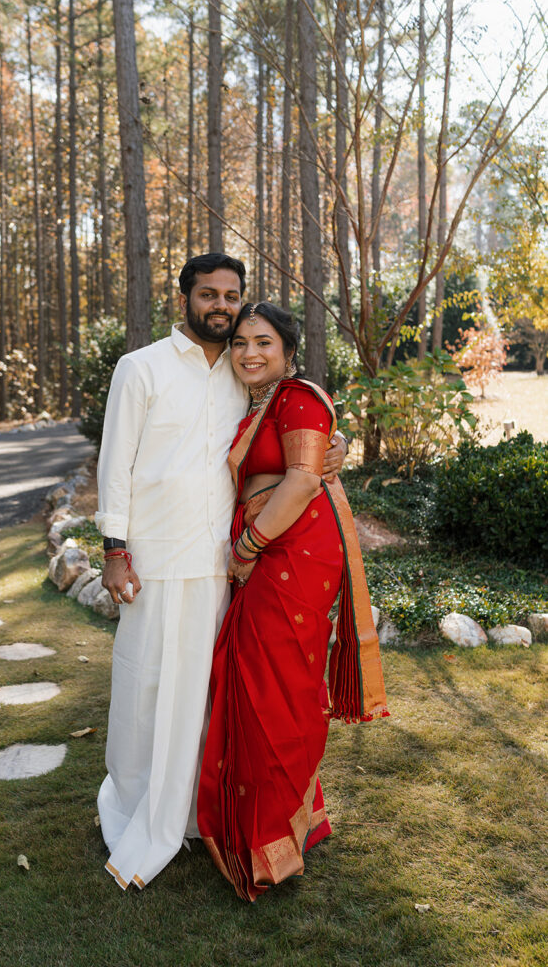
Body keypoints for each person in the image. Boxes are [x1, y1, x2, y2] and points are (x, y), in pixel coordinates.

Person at [94, 255, 348, 891]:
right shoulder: (142, 367)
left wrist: (336, 451)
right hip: (153, 561)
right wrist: (114, 548)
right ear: (184, 297)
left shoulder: (243, 375)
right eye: (208, 294)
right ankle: (132, 809)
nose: (220, 305)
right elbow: (114, 464)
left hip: (224, 567)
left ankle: (191, 815)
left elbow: (294, 436)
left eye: (230, 296)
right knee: (144, 690)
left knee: (209, 699)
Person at [197, 301, 389, 903]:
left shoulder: (297, 397)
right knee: (272, 686)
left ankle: (269, 844)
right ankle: (300, 818)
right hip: (279, 553)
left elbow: (303, 481)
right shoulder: (260, 403)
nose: (250, 352)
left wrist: (249, 546)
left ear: (287, 351)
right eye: (241, 343)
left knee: (274, 690)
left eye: (264, 343)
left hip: (289, 558)